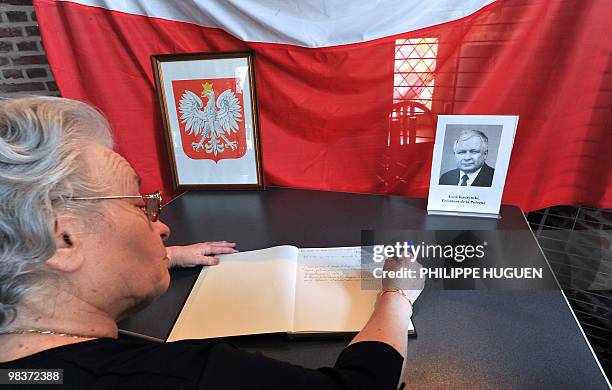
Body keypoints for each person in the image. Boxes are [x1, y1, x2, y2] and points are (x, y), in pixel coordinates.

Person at [0, 97, 423, 389]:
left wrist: (164, 258)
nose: (162, 227)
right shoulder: (183, 379)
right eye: (140, 204)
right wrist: (396, 295)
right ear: (63, 238)